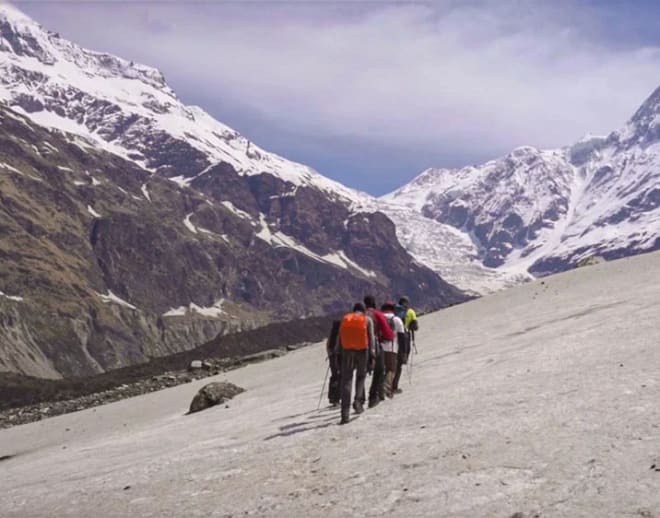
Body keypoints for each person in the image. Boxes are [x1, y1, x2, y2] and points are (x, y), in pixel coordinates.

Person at [338, 302, 376, 424]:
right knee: (360, 377)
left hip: (347, 351)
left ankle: (345, 414)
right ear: (364, 311)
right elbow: (371, 338)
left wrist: (338, 352)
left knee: (347, 380)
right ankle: (358, 402)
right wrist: (373, 354)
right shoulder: (367, 319)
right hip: (362, 351)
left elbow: (340, 337)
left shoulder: (346, 319)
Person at [363, 295, 395, 408]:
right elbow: (387, 331)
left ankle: (359, 399)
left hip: (357, 347)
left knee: (360, 374)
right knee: (380, 369)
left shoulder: (361, 314)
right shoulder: (377, 314)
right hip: (374, 345)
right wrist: (391, 336)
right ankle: (373, 396)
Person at [393, 296, 418, 394]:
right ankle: (394, 386)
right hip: (404, 337)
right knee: (400, 363)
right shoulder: (411, 312)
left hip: (392, 338)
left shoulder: (394, 311)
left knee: (393, 363)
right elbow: (415, 326)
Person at [380, 301, 405, 398]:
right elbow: (402, 337)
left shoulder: (379, 318)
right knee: (391, 369)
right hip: (392, 347)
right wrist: (403, 352)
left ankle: (380, 392)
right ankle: (386, 387)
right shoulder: (396, 319)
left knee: (381, 370)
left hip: (379, 347)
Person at [326, 320, 341, 406]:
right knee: (339, 377)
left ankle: (331, 397)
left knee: (334, 377)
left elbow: (327, 346)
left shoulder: (331, 335)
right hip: (338, 358)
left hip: (332, 357)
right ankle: (336, 398)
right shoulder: (339, 334)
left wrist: (330, 355)